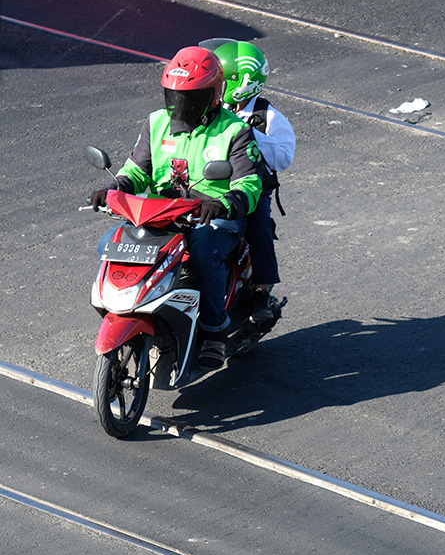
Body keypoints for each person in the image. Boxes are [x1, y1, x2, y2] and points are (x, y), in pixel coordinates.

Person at [90, 46, 265, 369]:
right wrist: (113, 189)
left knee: (203, 252)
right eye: (174, 97)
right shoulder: (156, 123)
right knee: (109, 243)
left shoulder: (234, 131)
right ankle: (126, 310)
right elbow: (136, 170)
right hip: (161, 212)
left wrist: (226, 202)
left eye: (190, 98)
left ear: (213, 95)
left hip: (211, 216)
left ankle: (214, 331)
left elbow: (249, 183)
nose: (180, 106)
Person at [199, 38, 296, 322]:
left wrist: (249, 134)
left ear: (239, 82)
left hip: (250, 186)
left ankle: (261, 291)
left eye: (219, 79)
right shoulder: (212, 108)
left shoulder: (267, 115)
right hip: (206, 184)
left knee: (259, 225)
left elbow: (283, 158)